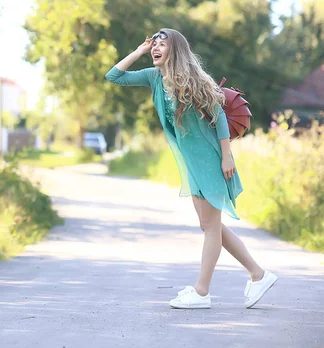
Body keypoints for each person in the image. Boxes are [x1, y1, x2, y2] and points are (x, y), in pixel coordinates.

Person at [105, 28, 277, 309]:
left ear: (177, 51)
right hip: (192, 162)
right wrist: (139, 51)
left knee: (210, 227)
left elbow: (220, 117)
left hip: (210, 159)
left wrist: (226, 156)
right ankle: (258, 274)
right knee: (210, 226)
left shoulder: (194, 80)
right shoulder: (154, 78)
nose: (156, 48)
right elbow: (114, 76)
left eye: (163, 44)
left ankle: (202, 292)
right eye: (154, 44)